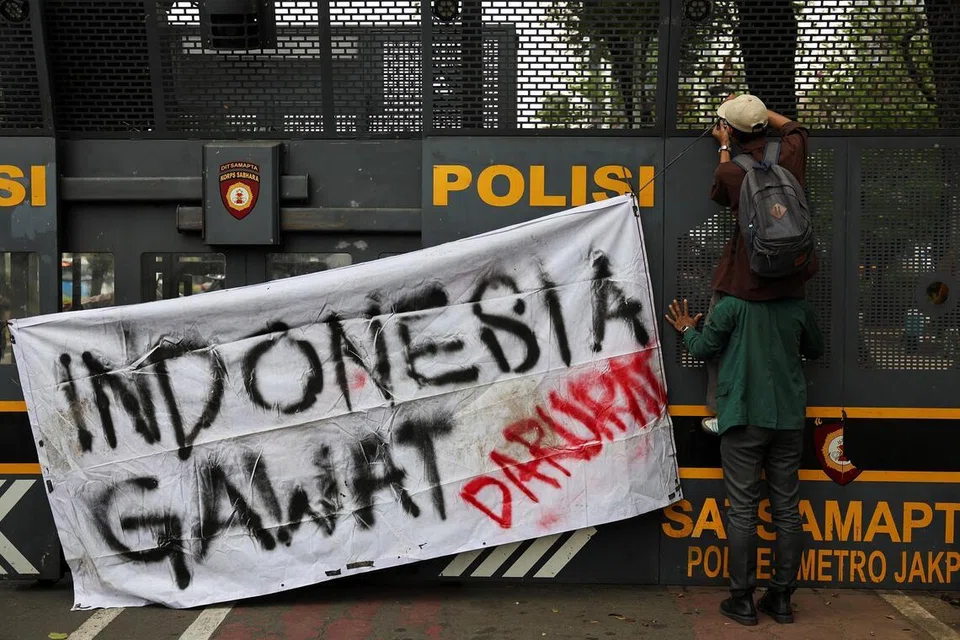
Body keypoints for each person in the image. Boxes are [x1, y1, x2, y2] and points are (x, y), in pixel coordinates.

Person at [665, 292, 823, 625]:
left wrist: (686, 329)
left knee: (742, 510)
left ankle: (743, 600)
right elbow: (814, 349)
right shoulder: (797, 306)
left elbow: (702, 348)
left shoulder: (731, 306)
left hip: (743, 420)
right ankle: (781, 599)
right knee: (787, 510)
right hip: (788, 420)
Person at [701, 93, 818, 435]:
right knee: (782, 355)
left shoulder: (729, 171)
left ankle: (723, 411)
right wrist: (758, 110)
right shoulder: (792, 152)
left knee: (717, 340)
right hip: (791, 278)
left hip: (745, 281)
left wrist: (724, 146)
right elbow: (797, 128)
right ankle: (783, 413)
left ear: (732, 132)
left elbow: (719, 195)